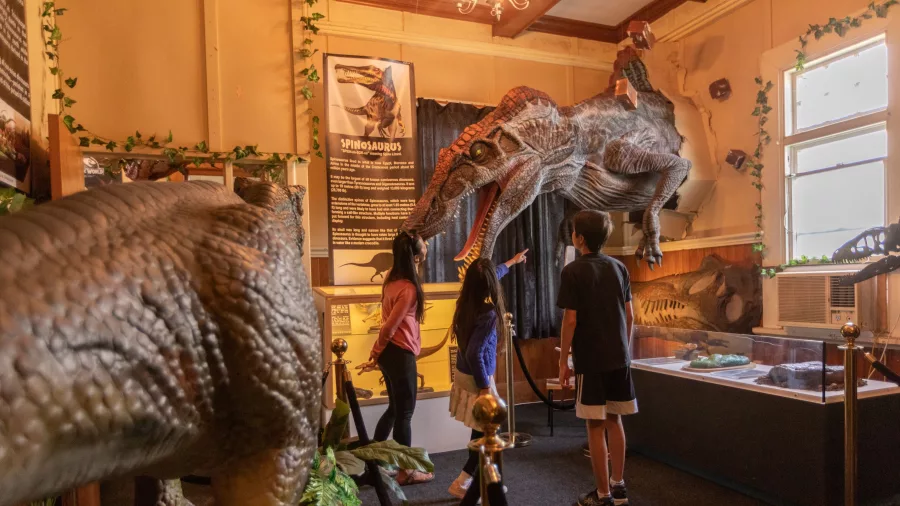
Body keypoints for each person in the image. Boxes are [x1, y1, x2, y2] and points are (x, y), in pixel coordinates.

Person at [558, 210, 637, 506]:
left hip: (590, 360)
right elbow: (630, 315)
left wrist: (563, 361)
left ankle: (602, 495)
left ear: (579, 238)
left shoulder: (572, 272)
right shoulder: (619, 267)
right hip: (619, 357)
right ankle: (619, 487)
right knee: (615, 419)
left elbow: (570, 320)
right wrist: (624, 349)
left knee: (594, 425)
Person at [447, 250, 528, 499]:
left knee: (480, 432)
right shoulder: (488, 313)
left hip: (466, 374)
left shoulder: (466, 303)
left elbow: (491, 274)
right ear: (490, 284)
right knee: (486, 434)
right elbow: (475, 353)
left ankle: (488, 482)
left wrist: (511, 262)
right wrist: (485, 387)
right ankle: (464, 481)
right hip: (477, 379)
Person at [360, 230, 433, 485]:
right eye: (423, 245)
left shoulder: (391, 279)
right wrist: (374, 352)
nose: (427, 246)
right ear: (415, 256)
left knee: (394, 410)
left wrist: (377, 354)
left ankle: (375, 465)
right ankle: (406, 471)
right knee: (405, 414)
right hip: (399, 354)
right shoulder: (409, 288)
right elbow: (390, 327)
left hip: (392, 354)